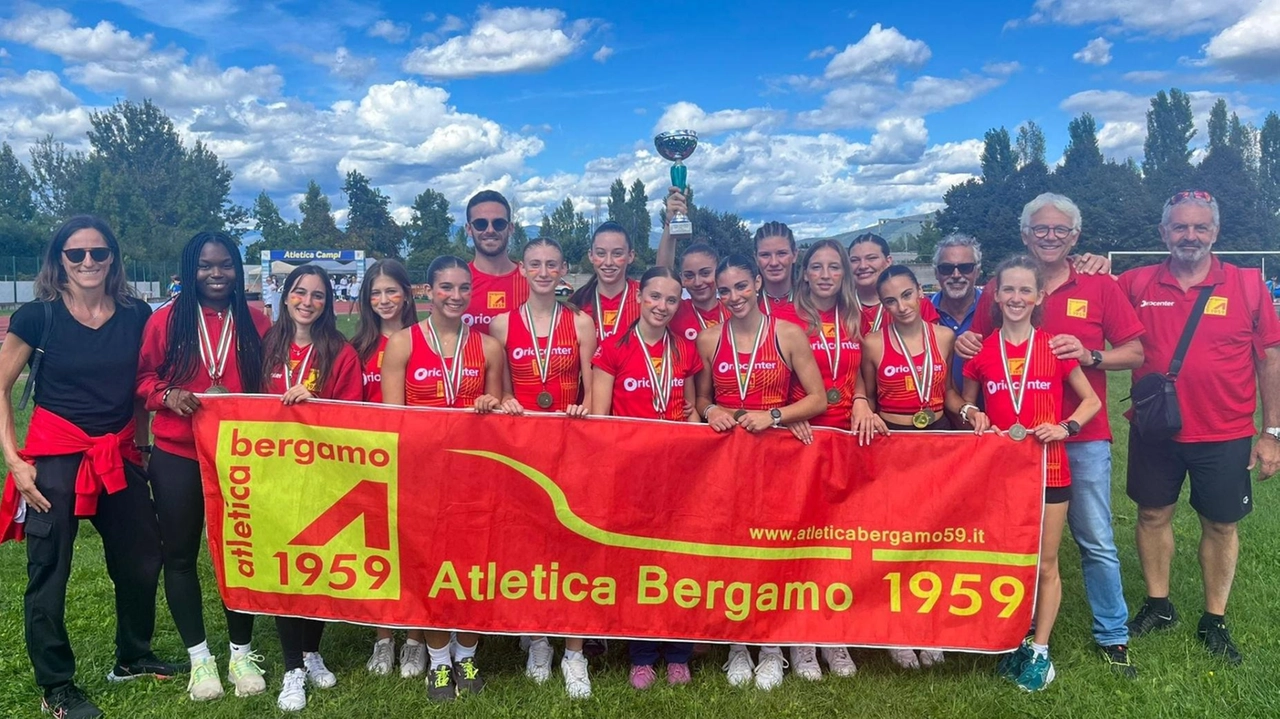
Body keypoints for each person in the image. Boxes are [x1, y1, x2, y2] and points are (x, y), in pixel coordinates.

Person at [0, 216, 184, 719]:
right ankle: (55, 685)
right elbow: (0, 386)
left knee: (142, 557)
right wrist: (15, 463)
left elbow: (140, 388)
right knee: (48, 570)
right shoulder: (37, 317)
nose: (87, 262)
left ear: (112, 259)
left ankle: (133, 655)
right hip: (55, 457)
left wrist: (142, 448)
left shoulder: (135, 314)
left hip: (117, 455)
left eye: (98, 253)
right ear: (59, 259)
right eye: (76, 254)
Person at [955, 193, 1145, 676]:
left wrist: (1090, 356)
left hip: (1077, 442)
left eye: (1061, 230)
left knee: (1095, 538)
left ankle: (1112, 633)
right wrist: (965, 358)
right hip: (1010, 451)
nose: (1050, 236)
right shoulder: (996, 288)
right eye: (1041, 229)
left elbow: (1136, 353)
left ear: (1075, 237)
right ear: (1025, 234)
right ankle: (1011, 632)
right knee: (1013, 544)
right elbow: (976, 350)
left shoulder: (1100, 283)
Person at [1118, 190, 1280, 665]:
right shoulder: (1134, 282)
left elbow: (1270, 359)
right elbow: (1085, 299)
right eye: (1180, 227)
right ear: (1163, 233)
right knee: (1151, 516)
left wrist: (1272, 432)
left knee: (1221, 523)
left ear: (1215, 232)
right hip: (1155, 428)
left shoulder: (1248, 284)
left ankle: (1214, 618)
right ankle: (1158, 604)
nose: (1190, 236)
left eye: (1200, 227)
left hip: (1225, 431)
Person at [136, 231, 273, 702]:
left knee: (240, 554)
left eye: (226, 265)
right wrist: (166, 395)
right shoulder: (166, 321)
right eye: (205, 266)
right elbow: (142, 380)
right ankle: (200, 658)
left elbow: (273, 381)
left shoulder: (256, 320)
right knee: (179, 555)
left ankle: (240, 652)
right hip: (178, 453)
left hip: (239, 456)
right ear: (189, 270)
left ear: (238, 270)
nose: (216, 274)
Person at [958, 255, 1102, 691]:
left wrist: (1066, 426)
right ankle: (1015, 638)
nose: (1016, 298)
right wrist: (969, 412)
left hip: (1049, 468)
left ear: (1039, 297)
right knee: (1008, 559)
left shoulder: (1054, 346)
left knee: (1045, 562)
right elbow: (964, 403)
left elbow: (1091, 401)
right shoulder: (982, 351)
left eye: (1025, 290)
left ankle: (1040, 650)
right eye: (1009, 290)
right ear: (996, 296)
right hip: (1000, 474)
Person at [693, 254, 827, 691]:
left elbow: (818, 399)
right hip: (728, 460)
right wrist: (712, 410)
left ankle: (771, 648)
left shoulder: (787, 333)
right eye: (724, 291)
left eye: (740, 288)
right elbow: (701, 400)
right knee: (731, 550)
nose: (733, 297)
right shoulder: (710, 339)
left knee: (771, 549)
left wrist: (775, 415)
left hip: (776, 458)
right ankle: (737, 644)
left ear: (755, 284)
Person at [380, 256, 504, 701]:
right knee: (431, 568)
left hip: (475, 474)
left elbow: (503, 406)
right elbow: (393, 422)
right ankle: (437, 662)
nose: (455, 296)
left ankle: (466, 653)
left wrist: (496, 405)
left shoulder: (488, 347)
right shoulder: (403, 344)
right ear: (428, 291)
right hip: (424, 475)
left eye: (463, 288)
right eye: (446, 288)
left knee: (472, 567)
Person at [489, 237, 597, 697]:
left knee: (573, 542)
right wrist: (509, 401)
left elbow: (593, 391)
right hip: (523, 445)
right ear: (523, 269)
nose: (543, 271)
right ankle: (537, 639)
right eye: (535, 263)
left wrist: (583, 411)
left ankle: (574, 651)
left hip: (570, 443)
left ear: (563, 270)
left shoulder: (581, 322)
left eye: (552, 264)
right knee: (527, 541)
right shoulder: (501, 324)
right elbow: (500, 390)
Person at [588, 266, 702, 689]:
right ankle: (640, 655)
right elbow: (600, 418)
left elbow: (688, 410)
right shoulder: (613, 347)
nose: (662, 306)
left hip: (677, 474)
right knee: (639, 563)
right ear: (639, 296)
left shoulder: (684, 350)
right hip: (632, 473)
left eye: (671, 300)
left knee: (680, 560)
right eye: (655, 297)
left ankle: (677, 653)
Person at [260, 264, 363, 711]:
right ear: (285, 296)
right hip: (273, 472)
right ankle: (291, 668)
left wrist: (318, 406)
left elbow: (355, 416)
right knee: (286, 565)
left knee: (317, 563)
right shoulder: (266, 346)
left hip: (322, 473)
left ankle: (311, 650)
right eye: (300, 292)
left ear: (328, 303)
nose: (307, 301)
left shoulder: (339, 353)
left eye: (318, 295)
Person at [858, 265, 954, 670]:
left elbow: (947, 393)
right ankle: (894, 629)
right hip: (893, 446)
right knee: (893, 540)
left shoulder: (944, 337)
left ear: (920, 292)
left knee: (931, 537)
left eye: (907, 295)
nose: (901, 306)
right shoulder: (874, 343)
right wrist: (861, 403)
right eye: (890, 301)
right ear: (882, 305)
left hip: (935, 441)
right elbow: (865, 389)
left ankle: (926, 624)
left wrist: (967, 408)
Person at [780, 239, 865, 680]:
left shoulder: (856, 317)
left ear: (844, 273)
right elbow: (772, 377)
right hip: (803, 440)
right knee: (803, 541)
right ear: (805, 273)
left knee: (839, 542)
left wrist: (865, 401)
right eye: (818, 267)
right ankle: (802, 640)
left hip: (848, 440)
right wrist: (788, 416)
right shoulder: (787, 318)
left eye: (835, 267)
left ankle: (835, 634)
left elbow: (863, 375)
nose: (826, 274)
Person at [349, 259, 424, 676]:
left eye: (392, 291)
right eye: (376, 293)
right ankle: (382, 638)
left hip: (415, 458)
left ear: (407, 294)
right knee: (377, 548)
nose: (384, 300)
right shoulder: (356, 346)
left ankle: (414, 638)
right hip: (370, 460)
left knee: (412, 546)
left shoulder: (425, 341)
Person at [463, 190, 530, 333]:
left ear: (510, 228)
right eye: (480, 224)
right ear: (469, 229)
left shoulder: (531, 280)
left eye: (498, 223)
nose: (490, 230)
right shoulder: (457, 282)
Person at [848, 233, 940, 335]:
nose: (863, 266)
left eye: (871, 258)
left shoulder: (918, 305)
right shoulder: (840, 307)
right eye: (854, 260)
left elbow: (934, 344)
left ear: (888, 261)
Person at [570, 222, 640, 343]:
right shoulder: (577, 302)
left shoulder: (644, 297)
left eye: (617, 253)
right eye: (601, 253)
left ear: (630, 256)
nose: (608, 262)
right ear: (591, 256)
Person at [930, 234, 983, 389]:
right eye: (946, 269)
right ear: (936, 273)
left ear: (977, 271)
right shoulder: (920, 312)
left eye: (965, 268)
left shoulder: (997, 310)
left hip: (987, 410)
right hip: (934, 411)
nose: (956, 275)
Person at [753, 222, 803, 326]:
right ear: (756, 259)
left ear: (794, 255)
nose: (774, 263)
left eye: (781, 254)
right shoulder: (747, 305)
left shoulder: (811, 302)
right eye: (765, 255)